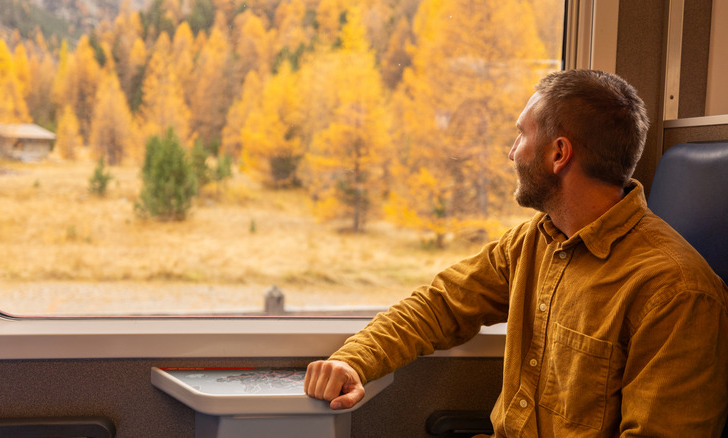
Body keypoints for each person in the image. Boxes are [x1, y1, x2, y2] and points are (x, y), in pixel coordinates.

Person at [304, 69, 728, 437]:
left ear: (558, 154)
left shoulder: (676, 293)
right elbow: (439, 305)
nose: (511, 151)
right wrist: (354, 362)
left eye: (521, 135)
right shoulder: (535, 241)